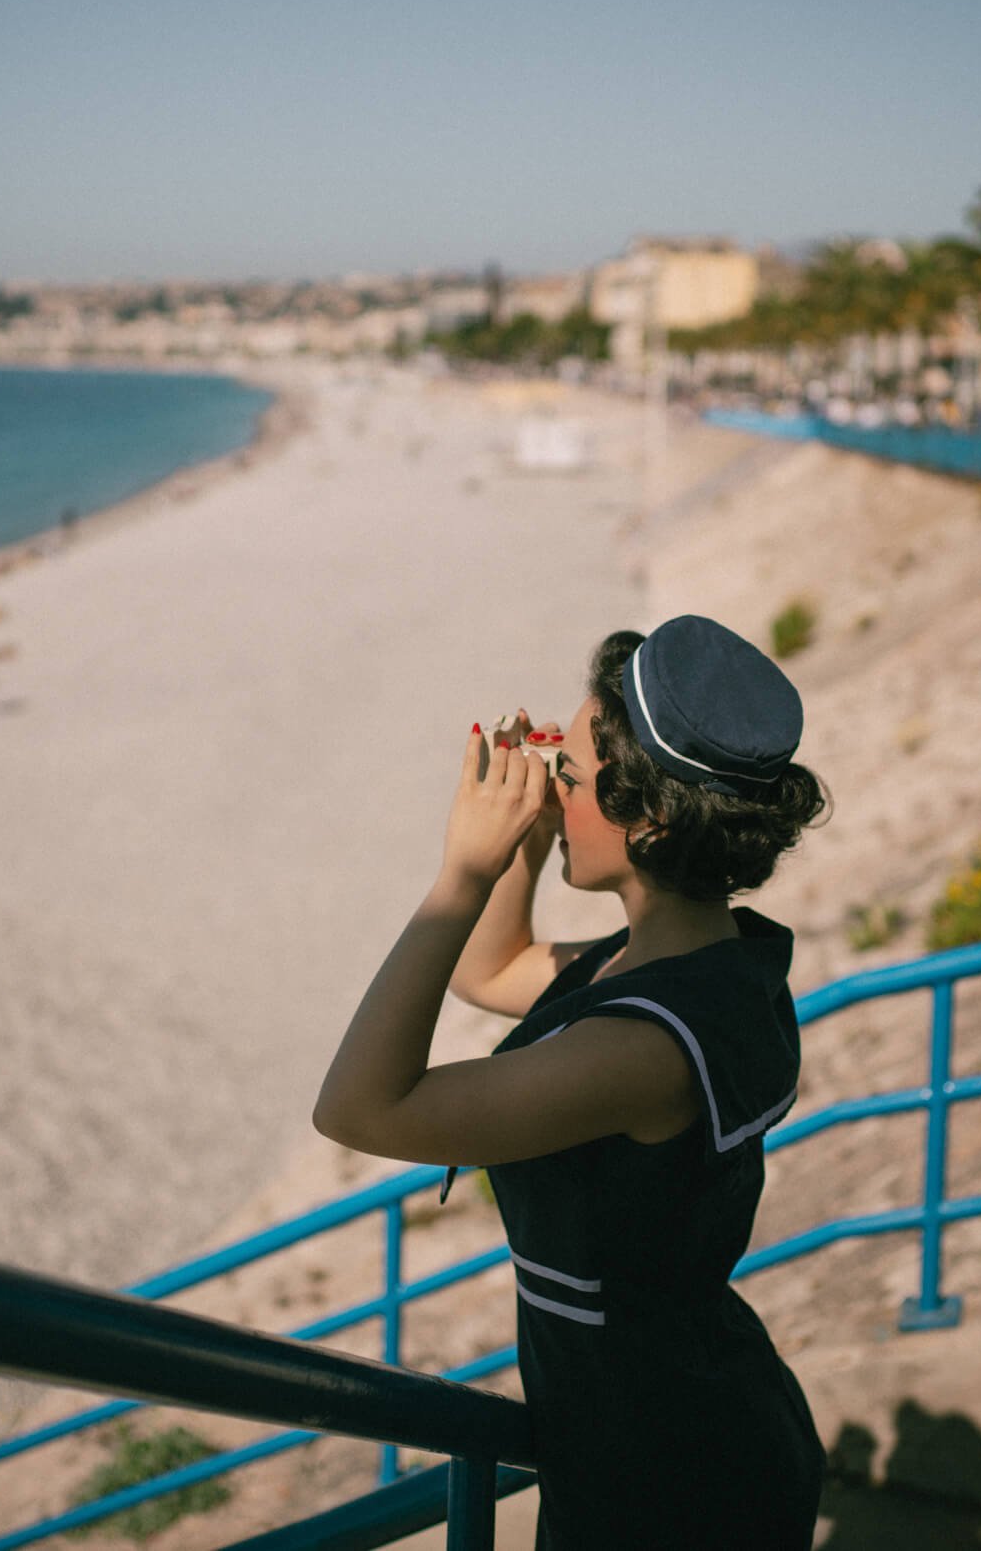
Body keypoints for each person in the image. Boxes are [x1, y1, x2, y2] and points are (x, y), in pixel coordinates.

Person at [313, 617, 829, 1549]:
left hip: (668, 1487)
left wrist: (460, 871)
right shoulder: (697, 965)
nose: (551, 779)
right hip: (689, 1418)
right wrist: (528, 842)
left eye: (573, 774)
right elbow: (496, 969)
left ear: (652, 819)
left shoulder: (641, 1050)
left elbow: (358, 1107)